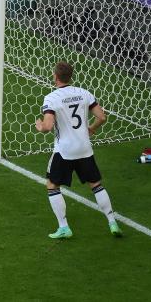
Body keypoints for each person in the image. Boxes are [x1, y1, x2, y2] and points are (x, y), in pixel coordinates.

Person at [36, 61, 123, 239]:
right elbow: (102, 116)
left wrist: (40, 126)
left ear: (55, 76)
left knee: (52, 185)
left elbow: (48, 126)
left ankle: (64, 227)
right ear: (71, 76)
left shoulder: (52, 98)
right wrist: (92, 128)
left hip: (64, 151)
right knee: (96, 185)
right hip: (84, 148)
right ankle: (112, 222)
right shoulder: (83, 93)